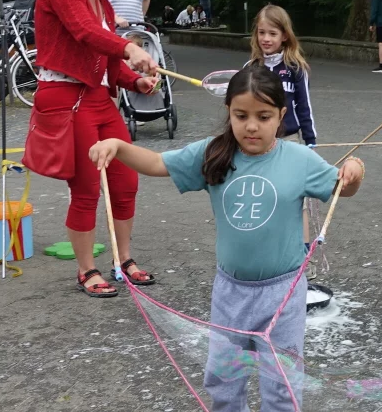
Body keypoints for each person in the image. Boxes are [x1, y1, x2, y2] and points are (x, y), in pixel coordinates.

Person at [88, 65, 365, 411]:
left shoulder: (300, 160)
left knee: (282, 382)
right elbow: (158, 163)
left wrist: (355, 170)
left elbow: (343, 188)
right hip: (230, 292)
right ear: (228, 112)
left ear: (280, 116)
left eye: (263, 116)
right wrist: (118, 145)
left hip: (284, 292)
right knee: (224, 378)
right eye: (241, 115)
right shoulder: (214, 153)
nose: (251, 126)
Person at [36, 0, 159, 297]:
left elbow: (108, 63)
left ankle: (123, 260)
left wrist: (137, 80)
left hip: (98, 100)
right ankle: (86, 269)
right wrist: (131, 47)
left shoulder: (102, 3)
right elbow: (84, 32)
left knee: (126, 181)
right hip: (67, 98)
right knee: (87, 187)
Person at [246, 4, 317, 270]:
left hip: (289, 141)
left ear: (284, 35)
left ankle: (302, 254)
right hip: (257, 144)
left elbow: (305, 106)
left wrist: (310, 141)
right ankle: (267, 250)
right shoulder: (251, 66)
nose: (266, 39)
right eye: (262, 32)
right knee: (264, 195)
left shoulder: (296, 68)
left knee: (295, 197)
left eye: (272, 33)